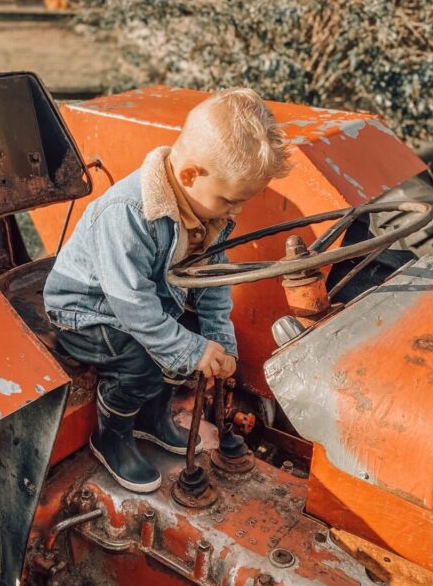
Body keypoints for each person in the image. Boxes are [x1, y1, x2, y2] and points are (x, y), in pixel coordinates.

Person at [44, 87, 291, 493]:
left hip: (141, 301)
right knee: (143, 361)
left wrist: (218, 342)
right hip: (86, 311)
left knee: (185, 338)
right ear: (191, 175)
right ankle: (112, 436)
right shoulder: (128, 213)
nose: (237, 213)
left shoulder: (206, 212)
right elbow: (130, 303)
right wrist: (190, 350)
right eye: (231, 200)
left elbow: (211, 284)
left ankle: (152, 418)